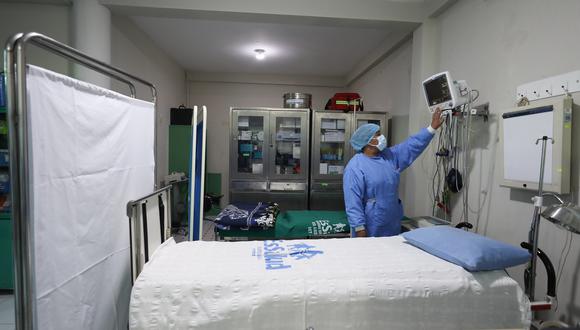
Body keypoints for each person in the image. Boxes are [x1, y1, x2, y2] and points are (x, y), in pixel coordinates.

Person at [343, 109, 444, 237]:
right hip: (370, 224)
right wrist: (359, 228)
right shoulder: (355, 167)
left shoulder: (389, 156)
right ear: (368, 141)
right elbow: (353, 201)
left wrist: (432, 128)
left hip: (392, 221)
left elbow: (411, 146)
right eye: (378, 135)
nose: (382, 137)